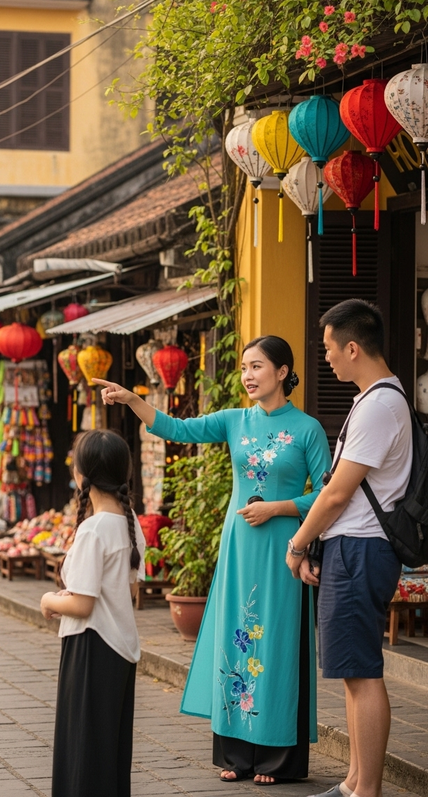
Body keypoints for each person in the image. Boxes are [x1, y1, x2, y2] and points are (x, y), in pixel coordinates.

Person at [95, 335, 330, 785]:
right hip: (239, 547)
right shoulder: (234, 420)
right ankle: (236, 754)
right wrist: (131, 399)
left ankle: (278, 758)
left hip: (284, 550)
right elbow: (177, 429)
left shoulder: (307, 429)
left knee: (276, 643)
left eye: (257, 367)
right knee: (236, 639)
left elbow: (327, 493)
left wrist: (278, 508)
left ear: (282, 372)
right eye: (243, 368)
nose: (247, 376)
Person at [285, 299, 412, 797]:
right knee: (352, 672)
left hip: (361, 549)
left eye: (329, 348)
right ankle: (355, 782)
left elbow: (338, 492)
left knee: (361, 673)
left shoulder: (379, 405)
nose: (327, 357)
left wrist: (298, 544)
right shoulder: (376, 399)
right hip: (354, 548)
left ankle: (367, 790)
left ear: (353, 347)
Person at [40, 429, 146, 797]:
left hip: (91, 645)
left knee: (82, 750)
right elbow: (128, 590)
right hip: (120, 647)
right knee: (108, 749)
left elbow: (82, 605)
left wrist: (49, 600)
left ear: (81, 474)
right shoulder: (130, 522)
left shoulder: (93, 529)